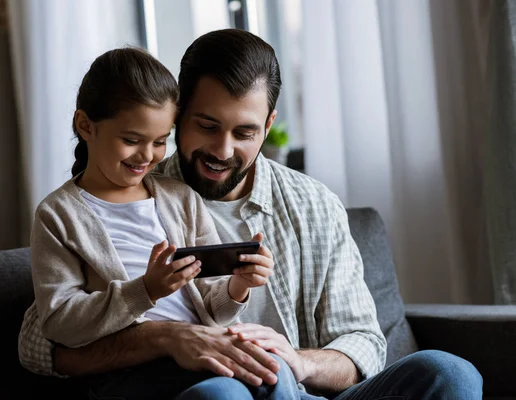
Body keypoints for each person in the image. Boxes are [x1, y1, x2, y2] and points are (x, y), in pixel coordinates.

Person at [19, 29, 483, 399]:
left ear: (269, 125)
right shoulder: (133, 183)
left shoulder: (313, 205)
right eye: (206, 126)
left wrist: (298, 361)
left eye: (244, 132)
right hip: (210, 384)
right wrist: (163, 338)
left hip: (301, 388)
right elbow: (39, 340)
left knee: (449, 373)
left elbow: (363, 342)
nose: (223, 150)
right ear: (178, 115)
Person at [22, 46, 310, 400]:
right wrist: (145, 290)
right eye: (131, 140)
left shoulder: (180, 198)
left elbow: (213, 308)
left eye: (160, 142)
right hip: (131, 372)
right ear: (86, 126)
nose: (148, 156)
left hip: (198, 352)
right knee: (224, 392)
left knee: (273, 367)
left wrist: (237, 286)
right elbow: (60, 321)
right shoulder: (58, 215)